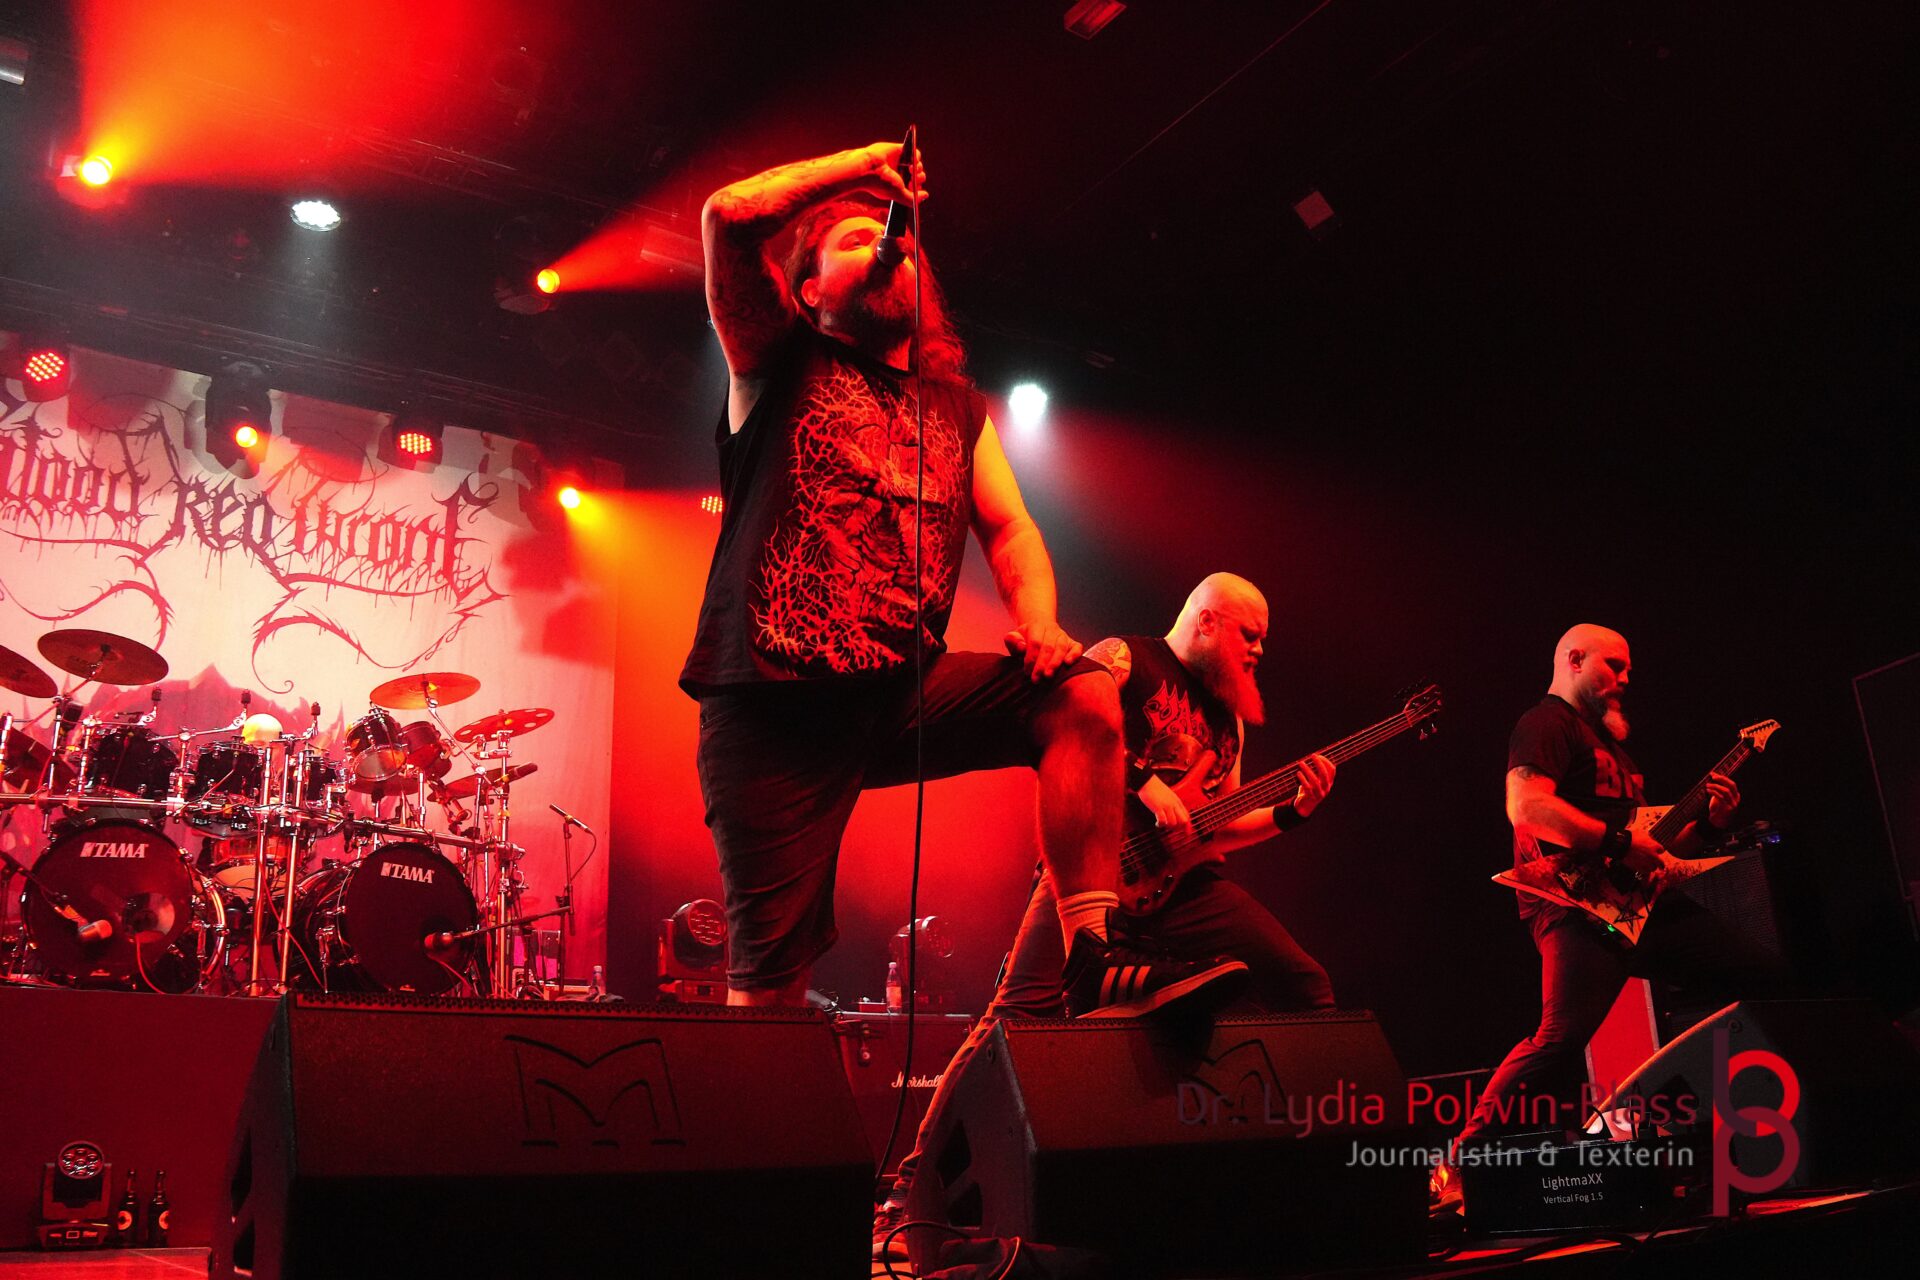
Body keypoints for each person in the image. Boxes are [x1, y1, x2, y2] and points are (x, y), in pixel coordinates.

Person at [681, 139, 1243, 1015]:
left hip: (901, 692)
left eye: (898, 242)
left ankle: (1091, 954)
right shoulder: (774, 361)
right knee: (770, 1001)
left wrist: (1040, 619)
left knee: (1083, 692)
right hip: (771, 706)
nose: (888, 247)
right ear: (808, 290)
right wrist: (864, 169)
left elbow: (1011, 527)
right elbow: (728, 216)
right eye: (857, 241)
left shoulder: (958, 410)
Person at [875, 572, 1340, 1256]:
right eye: (1250, 634)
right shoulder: (1127, 657)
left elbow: (1216, 824)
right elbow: (1068, 729)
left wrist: (1291, 813)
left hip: (1185, 888)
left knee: (1302, 982)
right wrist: (1145, 783)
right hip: (1091, 868)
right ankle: (909, 1193)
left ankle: (1319, 1174)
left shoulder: (1230, 720)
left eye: (1264, 640)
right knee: (1014, 1016)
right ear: (1207, 621)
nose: (1259, 650)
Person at [1436, 623, 1785, 1200]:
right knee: (1560, 1039)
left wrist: (1711, 824)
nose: (1626, 678)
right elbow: (1527, 808)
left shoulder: (1614, 751)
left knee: (1763, 979)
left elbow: (1658, 852)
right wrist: (1618, 843)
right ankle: (1459, 1163)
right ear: (1574, 660)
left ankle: (1708, 1133)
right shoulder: (1546, 723)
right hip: (1575, 907)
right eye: (1614, 666)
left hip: (1641, 908)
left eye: (1628, 669)